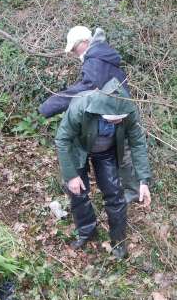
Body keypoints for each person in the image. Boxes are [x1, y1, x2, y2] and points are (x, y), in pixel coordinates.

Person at [55, 78, 152, 260]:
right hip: (79, 148)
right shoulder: (81, 106)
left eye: (119, 120)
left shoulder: (128, 109)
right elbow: (62, 139)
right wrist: (71, 176)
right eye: (111, 120)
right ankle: (86, 233)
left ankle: (118, 243)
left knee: (115, 195)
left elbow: (138, 143)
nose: (115, 122)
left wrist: (143, 180)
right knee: (78, 192)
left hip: (106, 151)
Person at [40, 26, 140, 203]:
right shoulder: (102, 55)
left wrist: (50, 106)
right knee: (123, 155)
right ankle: (127, 194)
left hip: (116, 114)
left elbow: (87, 89)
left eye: (73, 48)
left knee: (123, 155)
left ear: (85, 42)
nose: (72, 52)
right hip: (118, 110)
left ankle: (128, 196)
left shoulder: (95, 60)